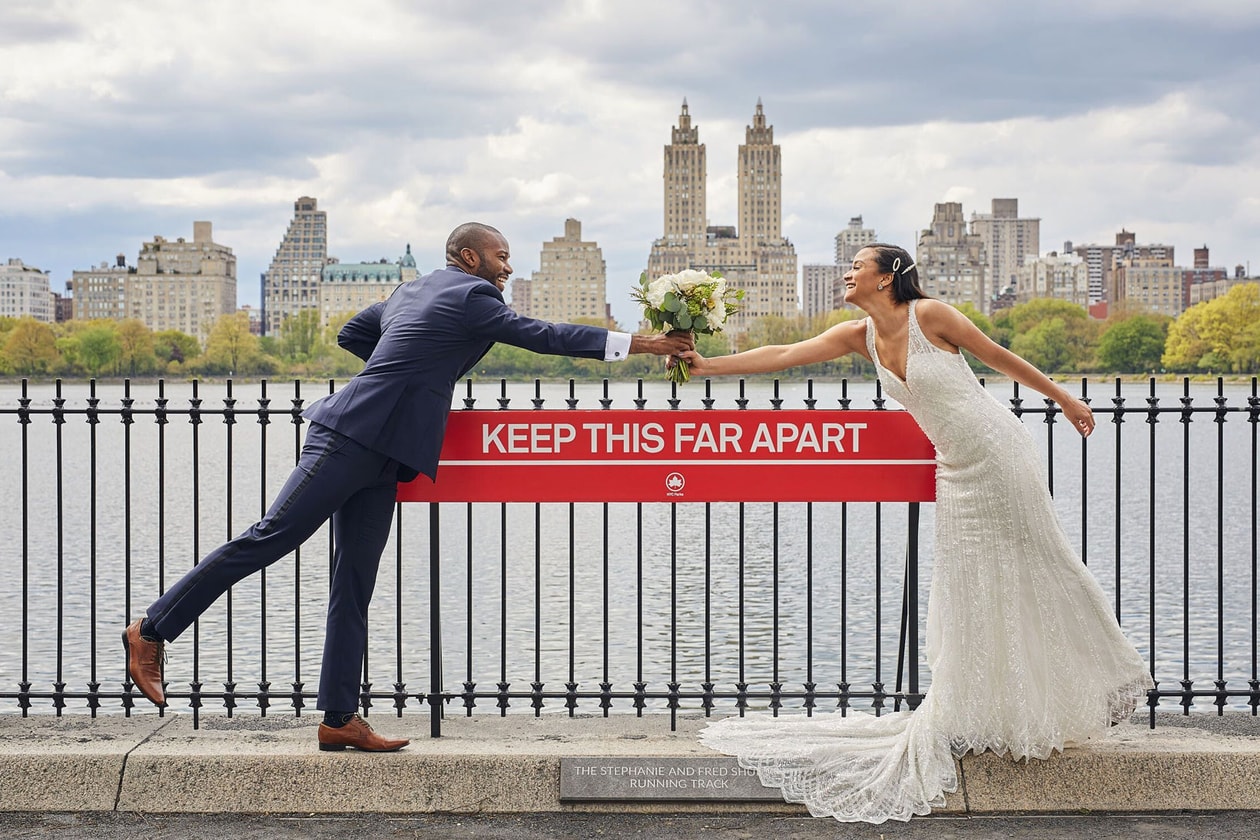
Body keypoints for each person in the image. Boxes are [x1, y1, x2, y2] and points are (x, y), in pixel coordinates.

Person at [122, 222, 694, 752]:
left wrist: (407, 371)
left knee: (354, 584)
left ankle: (339, 718)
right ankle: (151, 630)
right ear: (470, 258)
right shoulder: (473, 297)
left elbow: (352, 333)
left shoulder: (408, 291)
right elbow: (542, 335)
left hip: (384, 454)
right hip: (347, 440)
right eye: (501, 258)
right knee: (269, 538)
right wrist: (640, 344)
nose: (508, 268)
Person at [679, 244, 1151, 823]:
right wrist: (708, 367)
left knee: (1039, 563)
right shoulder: (859, 336)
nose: (848, 273)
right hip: (955, 470)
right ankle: (988, 708)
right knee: (969, 584)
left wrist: (1067, 399)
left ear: (887, 278)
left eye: (858, 265)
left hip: (999, 454)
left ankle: (1107, 681)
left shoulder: (933, 316)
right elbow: (783, 354)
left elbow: (1002, 360)